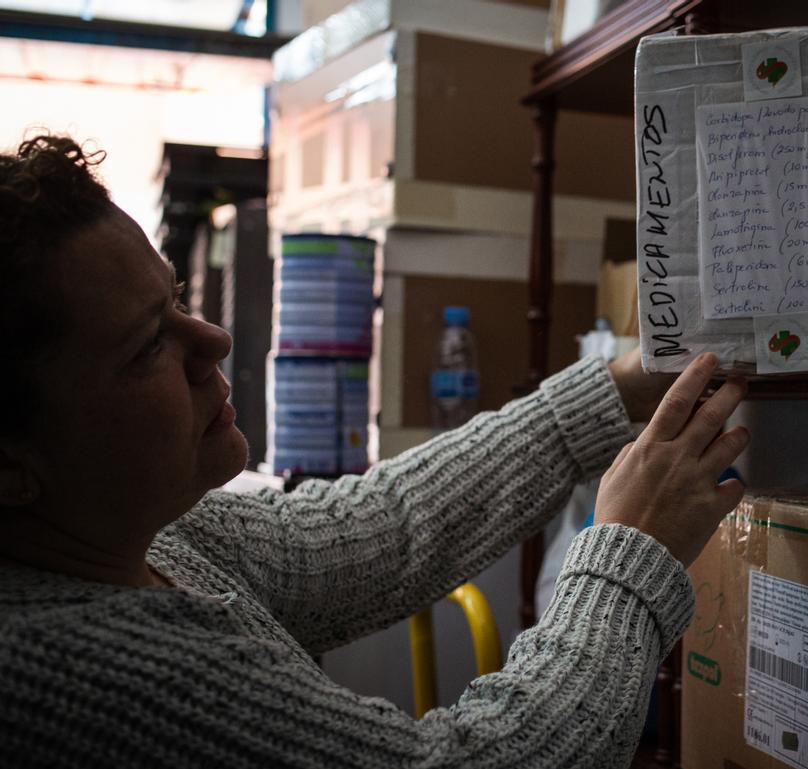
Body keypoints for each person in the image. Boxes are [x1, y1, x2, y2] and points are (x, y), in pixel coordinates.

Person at [0, 135, 749, 767]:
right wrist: (626, 552)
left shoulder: (146, 539)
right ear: (12, 469)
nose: (213, 341)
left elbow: (383, 523)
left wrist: (616, 391)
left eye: (176, 302)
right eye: (145, 348)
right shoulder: (81, 671)